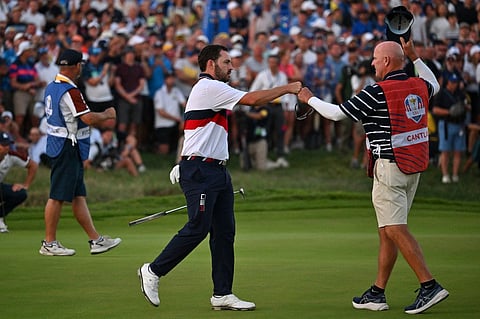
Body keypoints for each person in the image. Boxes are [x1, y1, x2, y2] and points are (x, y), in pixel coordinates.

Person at [138, 44, 302, 310]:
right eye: (227, 62)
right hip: (201, 171)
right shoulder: (209, 87)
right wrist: (287, 87)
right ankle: (153, 271)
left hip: (216, 171)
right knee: (198, 227)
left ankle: (222, 293)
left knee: (224, 233)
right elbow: (252, 99)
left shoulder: (215, 90)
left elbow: (198, 130)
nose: (232, 67)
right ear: (211, 65)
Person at [298, 39, 449, 315]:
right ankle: (377, 293)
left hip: (389, 168)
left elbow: (335, 114)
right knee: (387, 231)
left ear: (387, 62)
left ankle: (429, 285)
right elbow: (434, 83)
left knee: (394, 229)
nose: (372, 63)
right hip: (412, 167)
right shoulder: (419, 85)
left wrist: (309, 98)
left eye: (376, 59)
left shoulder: (377, 91)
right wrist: (415, 56)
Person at [39, 49, 122, 256]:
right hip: (67, 145)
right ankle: (49, 243)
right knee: (57, 195)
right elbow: (88, 119)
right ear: (77, 66)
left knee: (78, 195)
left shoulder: (52, 87)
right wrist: (108, 114)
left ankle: (96, 240)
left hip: (62, 143)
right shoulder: (70, 90)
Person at [0, 131, 38, 233]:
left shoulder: (11, 156)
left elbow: (33, 165)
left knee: (20, 194)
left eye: (8, 144)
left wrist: (26, 185)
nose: (7, 147)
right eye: (3, 145)